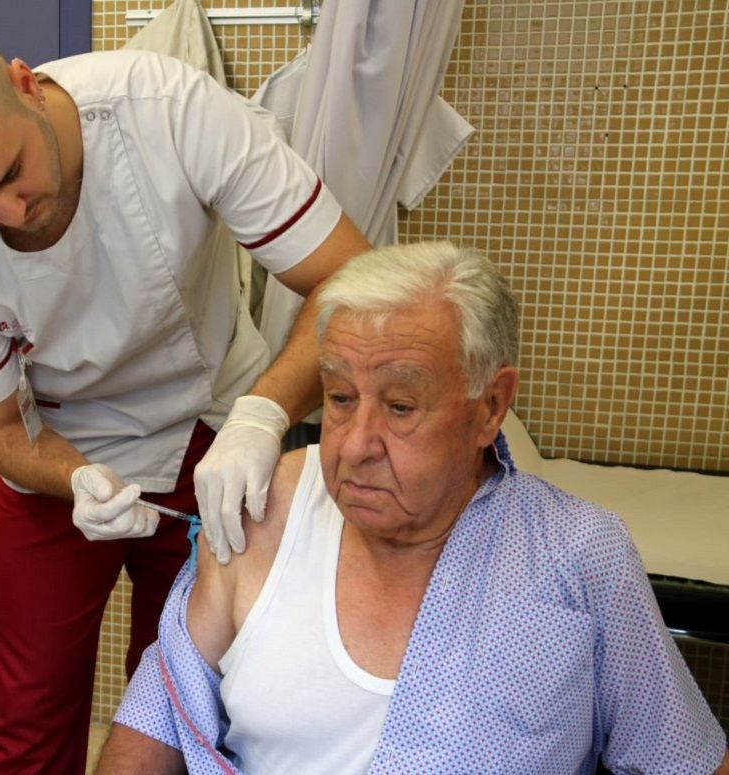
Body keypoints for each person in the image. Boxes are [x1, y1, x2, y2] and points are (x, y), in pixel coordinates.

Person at [0, 27, 370, 773]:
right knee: (27, 708)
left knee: (191, 694)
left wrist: (264, 417)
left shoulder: (168, 111)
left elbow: (351, 281)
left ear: (23, 84)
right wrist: (75, 480)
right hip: (54, 454)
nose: (11, 211)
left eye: (13, 172)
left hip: (214, 425)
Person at [99, 241, 729, 774]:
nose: (354, 445)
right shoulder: (267, 511)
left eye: (400, 407)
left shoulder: (575, 555)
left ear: (489, 406)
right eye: (340, 398)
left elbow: (683, 760)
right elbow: (157, 714)